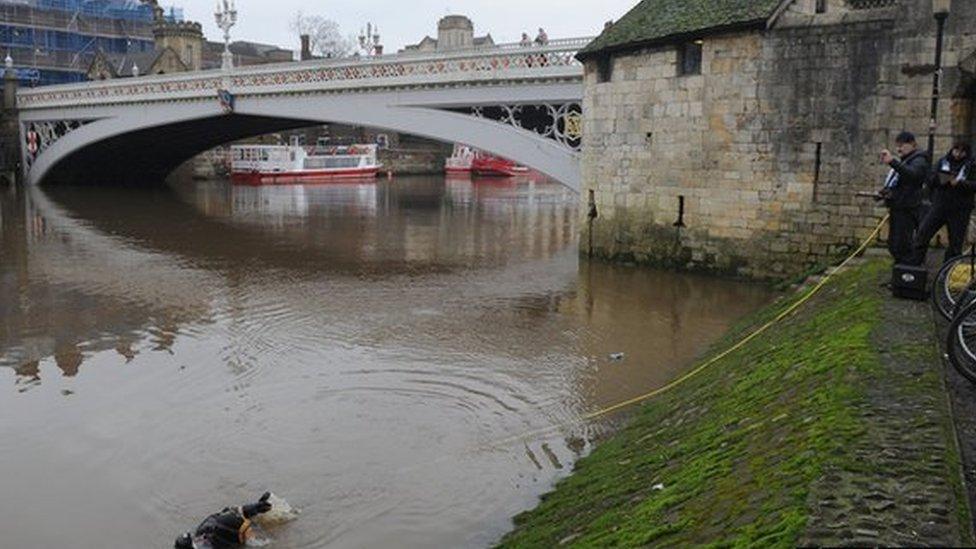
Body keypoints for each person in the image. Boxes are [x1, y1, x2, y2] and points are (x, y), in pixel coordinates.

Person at [909, 142, 976, 265]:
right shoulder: (943, 161)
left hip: (960, 210)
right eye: (956, 150)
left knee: (955, 244)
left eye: (962, 152)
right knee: (922, 234)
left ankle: (947, 272)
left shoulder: (971, 165)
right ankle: (914, 265)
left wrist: (960, 183)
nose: (958, 154)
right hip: (940, 206)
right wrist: (942, 179)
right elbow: (930, 178)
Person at [879, 131, 929, 264]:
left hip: (908, 208)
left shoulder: (919, 160)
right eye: (897, 146)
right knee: (893, 244)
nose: (899, 148)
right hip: (898, 207)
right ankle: (899, 274)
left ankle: (907, 275)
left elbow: (912, 175)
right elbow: (900, 184)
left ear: (913, 144)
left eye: (902, 145)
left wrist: (892, 162)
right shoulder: (906, 161)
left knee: (903, 245)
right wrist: (886, 193)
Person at [174, 492, 273, 549]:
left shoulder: (210, 526)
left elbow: (229, 512)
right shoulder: (222, 542)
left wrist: (255, 507)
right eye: (248, 530)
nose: (252, 533)